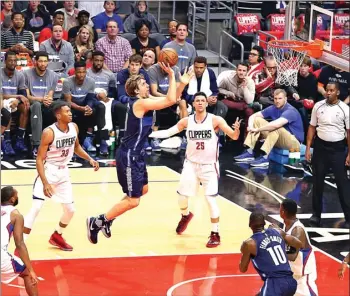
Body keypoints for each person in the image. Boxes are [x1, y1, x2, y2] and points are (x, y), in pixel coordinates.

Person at [86, 63, 194, 244]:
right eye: (143, 84)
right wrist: (171, 76)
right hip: (129, 155)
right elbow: (169, 100)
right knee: (134, 200)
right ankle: (97, 221)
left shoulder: (142, 100)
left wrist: (182, 83)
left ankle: (108, 219)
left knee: (142, 190)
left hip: (136, 155)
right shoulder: (140, 103)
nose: (147, 85)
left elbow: (172, 98)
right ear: (136, 90)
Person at [149, 92, 241, 247]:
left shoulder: (215, 120)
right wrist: (149, 132)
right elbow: (168, 132)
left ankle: (215, 233)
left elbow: (233, 136)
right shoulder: (187, 121)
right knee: (182, 198)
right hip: (191, 165)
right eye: (197, 100)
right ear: (194, 104)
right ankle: (185, 215)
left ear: (206, 103)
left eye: (202, 100)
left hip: (209, 166)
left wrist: (237, 130)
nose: (199, 103)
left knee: (210, 199)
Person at [24, 101, 99, 251]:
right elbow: (39, 159)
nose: (70, 113)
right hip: (49, 170)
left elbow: (76, 147)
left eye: (70, 111)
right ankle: (21, 242)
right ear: (58, 115)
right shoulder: (49, 132)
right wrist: (45, 182)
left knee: (70, 210)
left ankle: (57, 236)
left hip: (64, 172)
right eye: (67, 111)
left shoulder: (74, 127)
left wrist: (89, 158)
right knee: (36, 207)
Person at [306, 82, 350, 228]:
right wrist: (308, 149)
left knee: (342, 183)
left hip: (338, 149)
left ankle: (348, 216)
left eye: (331, 90)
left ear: (337, 92)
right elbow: (312, 127)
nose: (328, 93)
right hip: (320, 148)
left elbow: (349, 133)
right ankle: (316, 216)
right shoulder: (318, 106)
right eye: (327, 90)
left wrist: (349, 153)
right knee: (317, 182)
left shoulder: (344, 109)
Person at [234, 89, 304, 167]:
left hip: (294, 143)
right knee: (257, 120)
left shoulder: (290, 111)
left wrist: (257, 130)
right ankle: (249, 152)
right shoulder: (273, 107)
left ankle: (265, 157)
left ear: (285, 99)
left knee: (276, 128)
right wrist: (250, 127)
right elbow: (253, 116)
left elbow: (276, 125)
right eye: (275, 98)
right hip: (279, 138)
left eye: (280, 98)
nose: (277, 101)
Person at [239, 212, 302, 296]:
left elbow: (242, 269)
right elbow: (299, 244)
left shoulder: (249, 243)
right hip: (290, 282)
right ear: (264, 223)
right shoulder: (278, 232)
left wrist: (244, 251)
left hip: (274, 284)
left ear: (250, 224)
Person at [1, 186, 39, 296]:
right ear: (12, 199)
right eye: (16, 196)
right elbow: (19, 243)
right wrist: (31, 270)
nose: (17, 197)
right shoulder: (16, 215)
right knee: (27, 273)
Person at [280, 199, 318, 296]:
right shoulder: (285, 226)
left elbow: (292, 255)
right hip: (291, 276)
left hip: (302, 280)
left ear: (283, 212)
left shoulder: (298, 230)